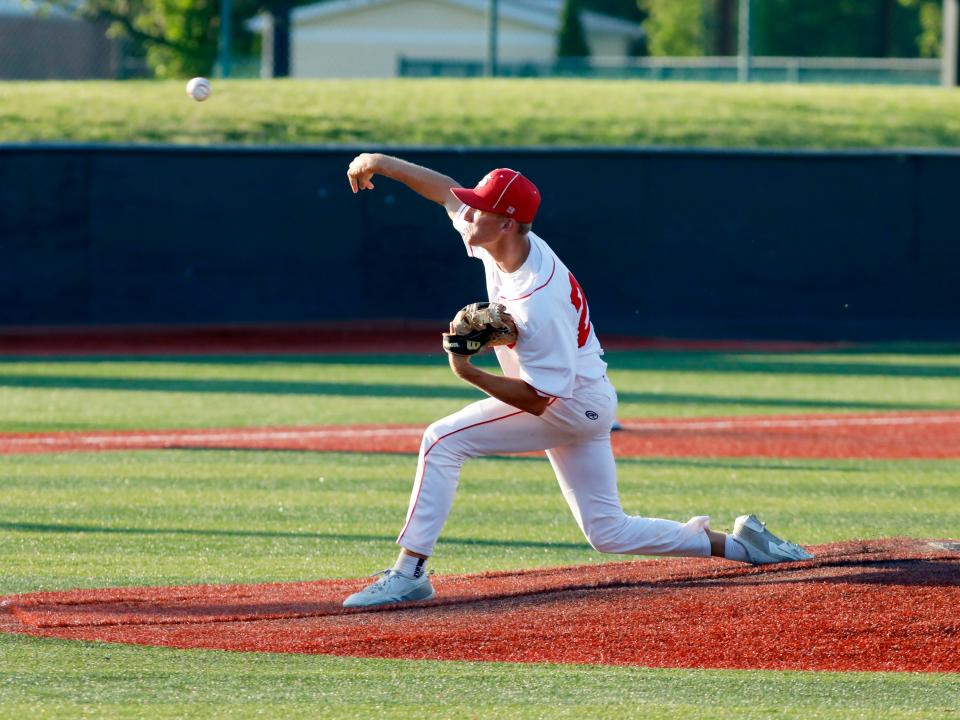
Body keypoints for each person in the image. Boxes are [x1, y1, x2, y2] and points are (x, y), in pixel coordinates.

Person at [342, 153, 812, 608]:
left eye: (481, 207)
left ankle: (409, 573)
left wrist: (467, 369)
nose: (469, 211)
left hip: (565, 406)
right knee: (607, 531)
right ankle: (743, 546)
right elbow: (444, 191)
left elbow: (539, 399)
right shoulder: (503, 240)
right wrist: (381, 162)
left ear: (506, 223)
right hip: (589, 399)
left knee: (442, 440)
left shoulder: (537, 300)